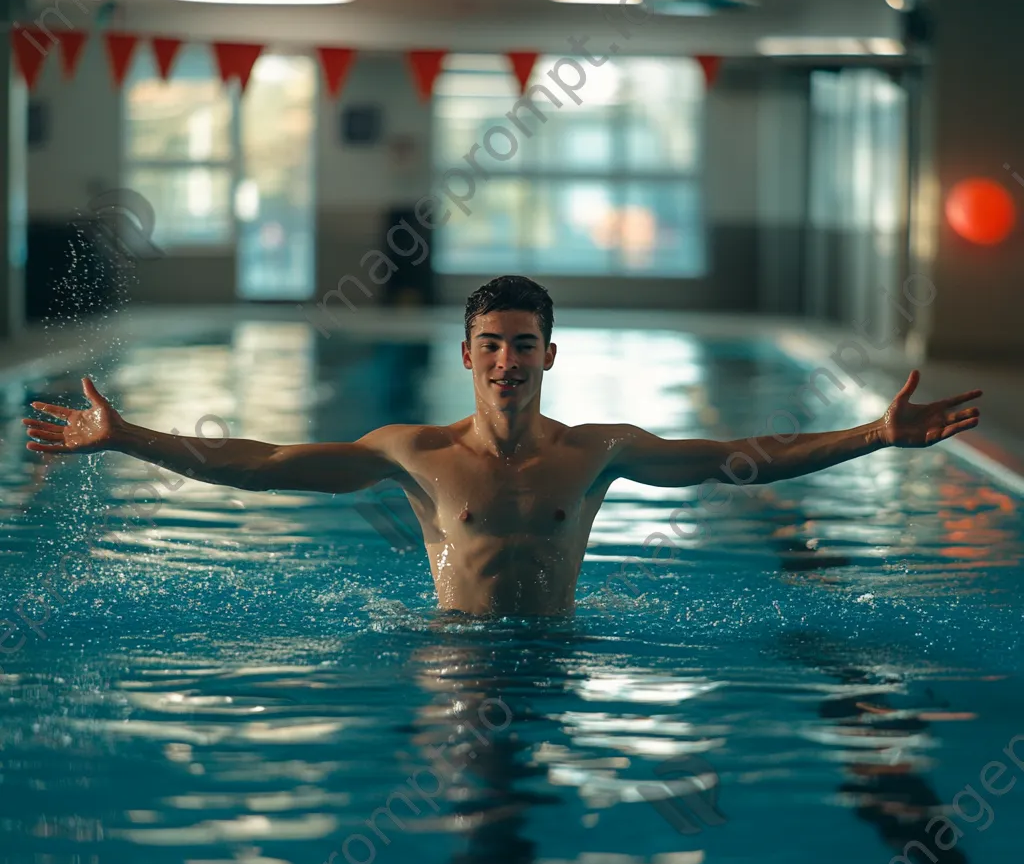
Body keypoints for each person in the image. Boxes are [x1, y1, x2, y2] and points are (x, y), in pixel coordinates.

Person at [22, 276, 983, 616]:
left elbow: (744, 455)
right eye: (492, 345)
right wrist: (128, 439)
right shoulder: (415, 453)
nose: (508, 361)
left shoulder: (596, 451)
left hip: (563, 659)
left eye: (525, 344)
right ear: (468, 355)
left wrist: (871, 436)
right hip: (453, 660)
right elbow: (268, 468)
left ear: (550, 354)